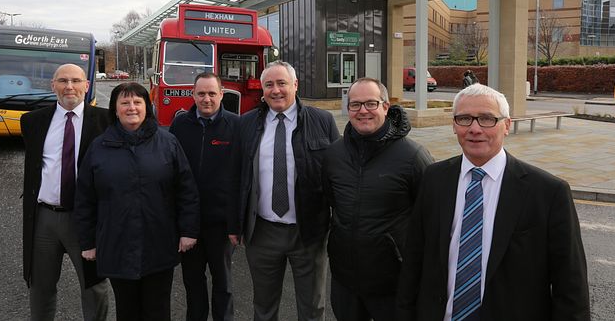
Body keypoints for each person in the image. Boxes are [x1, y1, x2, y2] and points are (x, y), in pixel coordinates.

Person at [396, 83, 590, 321]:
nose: (475, 128)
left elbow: (571, 284)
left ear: (506, 125)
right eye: (465, 118)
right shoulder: (434, 178)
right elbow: (415, 259)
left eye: (487, 119)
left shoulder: (548, 192)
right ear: (454, 125)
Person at [75, 82, 200, 320]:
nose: (131, 107)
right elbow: (85, 198)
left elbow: (186, 190)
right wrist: (87, 242)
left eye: (137, 102)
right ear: (115, 109)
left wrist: (188, 231)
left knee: (158, 310)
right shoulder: (99, 147)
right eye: (125, 102)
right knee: (127, 310)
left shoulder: (168, 143)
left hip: (159, 243)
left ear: (147, 107)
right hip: (117, 245)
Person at [231, 60, 340, 321]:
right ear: (262, 89)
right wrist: (234, 224)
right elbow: (236, 177)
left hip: (308, 232)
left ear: (295, 85)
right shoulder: (245, 124)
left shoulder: (322, 121)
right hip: (262, 231)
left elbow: (338, 173)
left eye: (282, 83)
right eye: (269, 84)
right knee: (264, 307)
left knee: (312, 307)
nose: (276, 90)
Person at [322, 78, 434, 321]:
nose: (363, 111)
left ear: (385, 106)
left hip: (392, 282)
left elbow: (430, 216)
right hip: (345, 280)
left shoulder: (413, 156)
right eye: (355, 104)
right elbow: (333, 202)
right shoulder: (333, 155)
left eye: (371, 103)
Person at [20, 63, 110, 321]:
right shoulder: (33, 122)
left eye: (75, 80)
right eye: (62, 81)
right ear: (53, 86)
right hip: (44, 218)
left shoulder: (106, 121)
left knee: (94, 286)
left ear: (86, 86)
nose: (69, 86)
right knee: (40, 286)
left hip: (85, 218)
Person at [170, 73, 239, 321]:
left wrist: (235, 223)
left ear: (222, 94)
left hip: (220, 225)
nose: (206, 99)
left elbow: (240, 179)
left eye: (212, 93)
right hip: (188, 223)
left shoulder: (236, 126)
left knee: (224, 284)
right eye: (201, 93)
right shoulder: (179, 125)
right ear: (193, 95)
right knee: (193, 284)